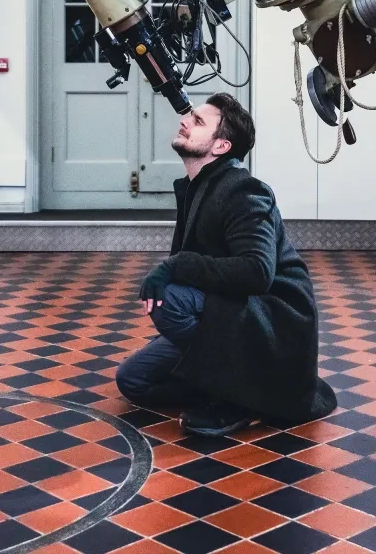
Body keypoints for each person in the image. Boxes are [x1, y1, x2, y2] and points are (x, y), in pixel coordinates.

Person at [115, 92, 336, 437]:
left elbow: (257, 272)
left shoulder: (243, 190)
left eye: (198, 121)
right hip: (232, 311)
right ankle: (230, 386)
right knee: (133, 380)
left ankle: (245, 397)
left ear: (221, 146)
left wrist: (176, 265)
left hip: (271, 319)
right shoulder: (198, 186)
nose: (184, 122)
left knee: (170, 300)